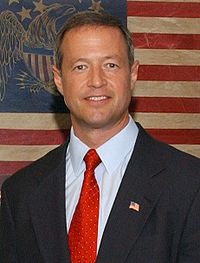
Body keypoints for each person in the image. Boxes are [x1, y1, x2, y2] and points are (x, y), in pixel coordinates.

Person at [0, 11, 200, 263]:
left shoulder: (190, 185)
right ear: (59, 80)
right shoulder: (21, 194)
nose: (96, 81)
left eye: (111, 65)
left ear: (133, 73)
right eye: (80, 67)